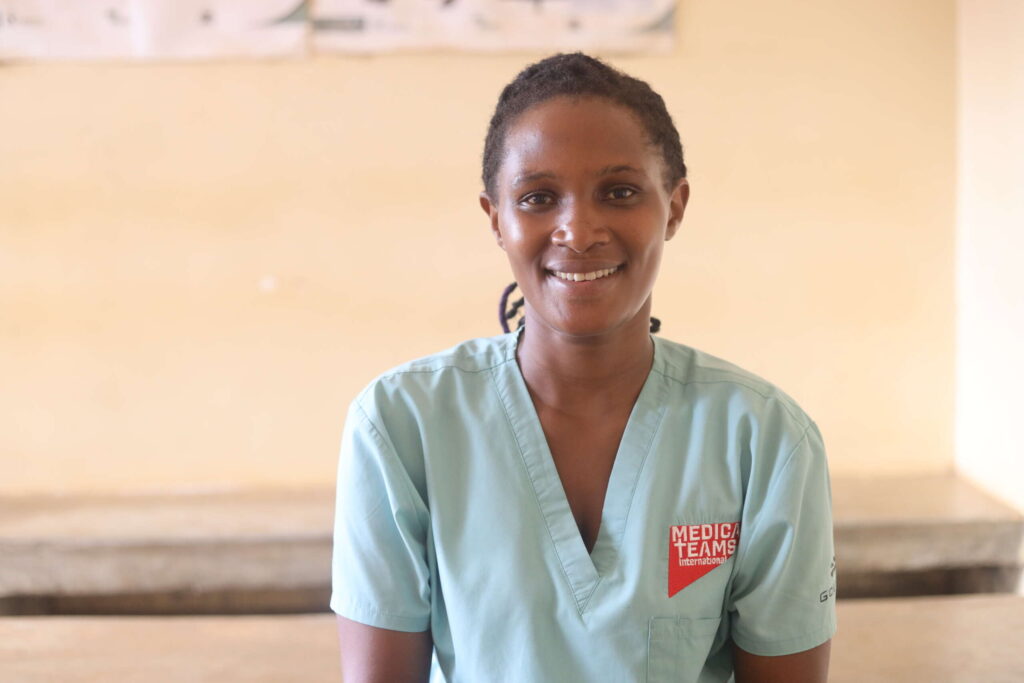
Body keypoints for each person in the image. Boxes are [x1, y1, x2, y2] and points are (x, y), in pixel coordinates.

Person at [332, 52, 836, 683]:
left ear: (674, 207)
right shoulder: (403, 424)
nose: (578, 229)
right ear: (497, 220)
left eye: (619, 192)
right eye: (538, 197)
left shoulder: (763, 438)